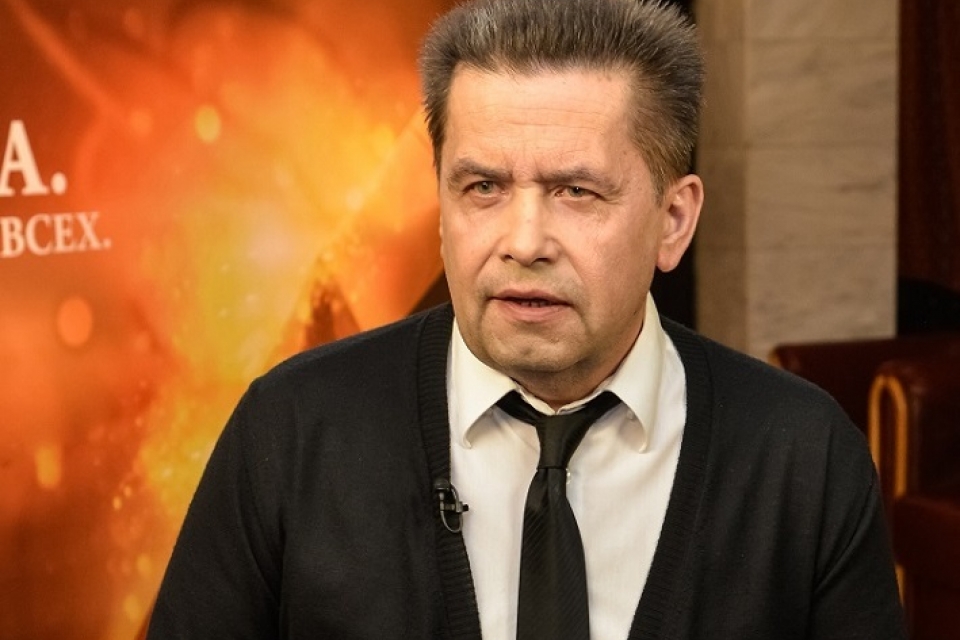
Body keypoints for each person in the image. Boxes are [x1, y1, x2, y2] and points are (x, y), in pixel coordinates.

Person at [146, 0, 907, 638]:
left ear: (673, 220)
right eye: (482, 187)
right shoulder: (290, 431)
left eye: (577, 192)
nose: (523, 242)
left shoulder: (804, 456)